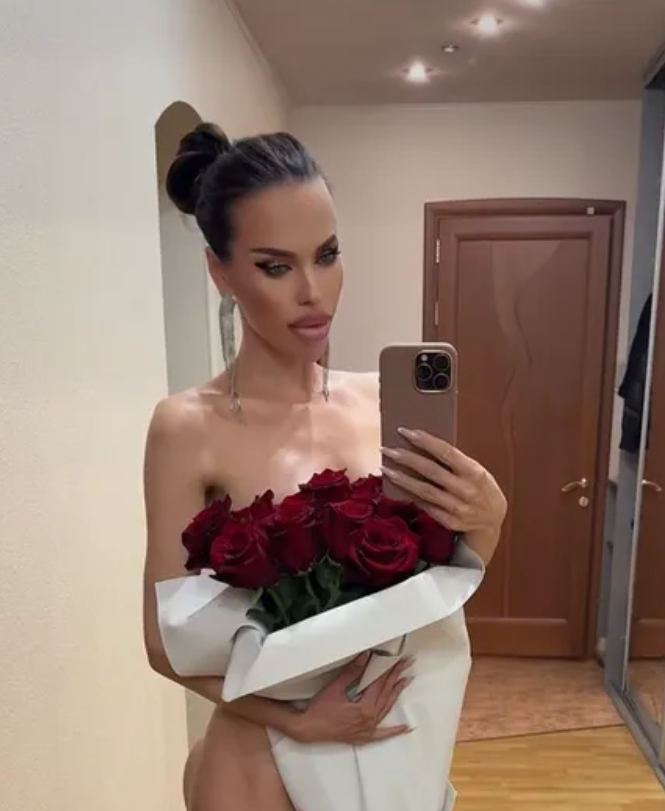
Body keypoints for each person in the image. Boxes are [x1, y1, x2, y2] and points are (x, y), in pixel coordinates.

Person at [142, 123, 507, 811]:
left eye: (328, 255)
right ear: (220, 272)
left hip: (389, 748)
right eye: (275, 266)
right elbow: (165, 645)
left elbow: (434, 593)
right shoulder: (187, 427)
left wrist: (487, 522)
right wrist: (297, 720)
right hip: (258, 762)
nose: (314, 291)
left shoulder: (378, 401)